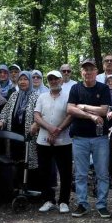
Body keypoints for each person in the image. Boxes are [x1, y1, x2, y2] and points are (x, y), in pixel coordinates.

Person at [67, 58, 112, 218]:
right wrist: (91, 116)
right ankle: (82, 204)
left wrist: (84, 106)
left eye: (91, 69)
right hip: (79, 138)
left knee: (102, 173)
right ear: (81, 72)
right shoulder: (75, 88)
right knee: (80, 173)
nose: (88, 72)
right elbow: (70, 109)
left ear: (96, 71)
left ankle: (102, 204)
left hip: (100, 138)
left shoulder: (104, 88)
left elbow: (103, 110)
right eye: (85, 70)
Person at [32, 70, 74, 214]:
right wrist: (50, 128)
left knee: (65, 172)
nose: (53, 82)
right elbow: (37, 116)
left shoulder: (68, 96)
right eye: (50, 79)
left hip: (63, 140)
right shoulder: (42, 96)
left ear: (61, 80)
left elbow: (70, 115)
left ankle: (64, 201)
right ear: (48, 82)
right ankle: (48, 200)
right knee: (44, 171)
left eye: (56, 79)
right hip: (43, 140)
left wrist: (58, 130)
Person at [0, 71, 39, 170]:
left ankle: (27, 182)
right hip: (14, 133)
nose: (22, 82)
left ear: (30, 81)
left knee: (28, 161)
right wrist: (2, 121)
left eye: (25, 79)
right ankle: (15, 181)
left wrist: (36, 123)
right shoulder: (14, 95)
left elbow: (41, 113)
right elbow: (5, 111)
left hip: (29, 134)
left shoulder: (36, 96)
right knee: (13, 159)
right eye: (20, 79)